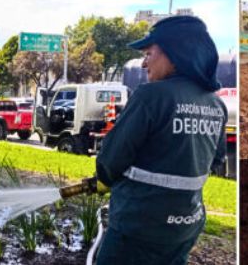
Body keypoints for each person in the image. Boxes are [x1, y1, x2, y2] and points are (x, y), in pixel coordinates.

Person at [94, 16, 227, 265]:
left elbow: (109, 162)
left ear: (175, 54)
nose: (144, 63)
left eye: (149, 54)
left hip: (138, 226)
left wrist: (104, 179)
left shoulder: (151, 96)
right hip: (185, 226)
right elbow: (216, 159)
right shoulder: (215, 104)